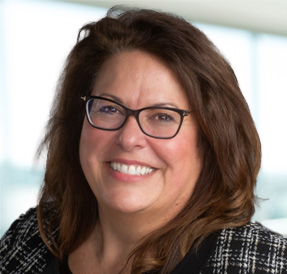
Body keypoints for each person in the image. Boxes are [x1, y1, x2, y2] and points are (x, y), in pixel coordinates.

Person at [1, 6, 286, 274]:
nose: (129, 138)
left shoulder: (262, 263)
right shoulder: (31, 239)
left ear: (210, 141)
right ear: (79, 124)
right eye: (109, 109)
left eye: (162, 116)